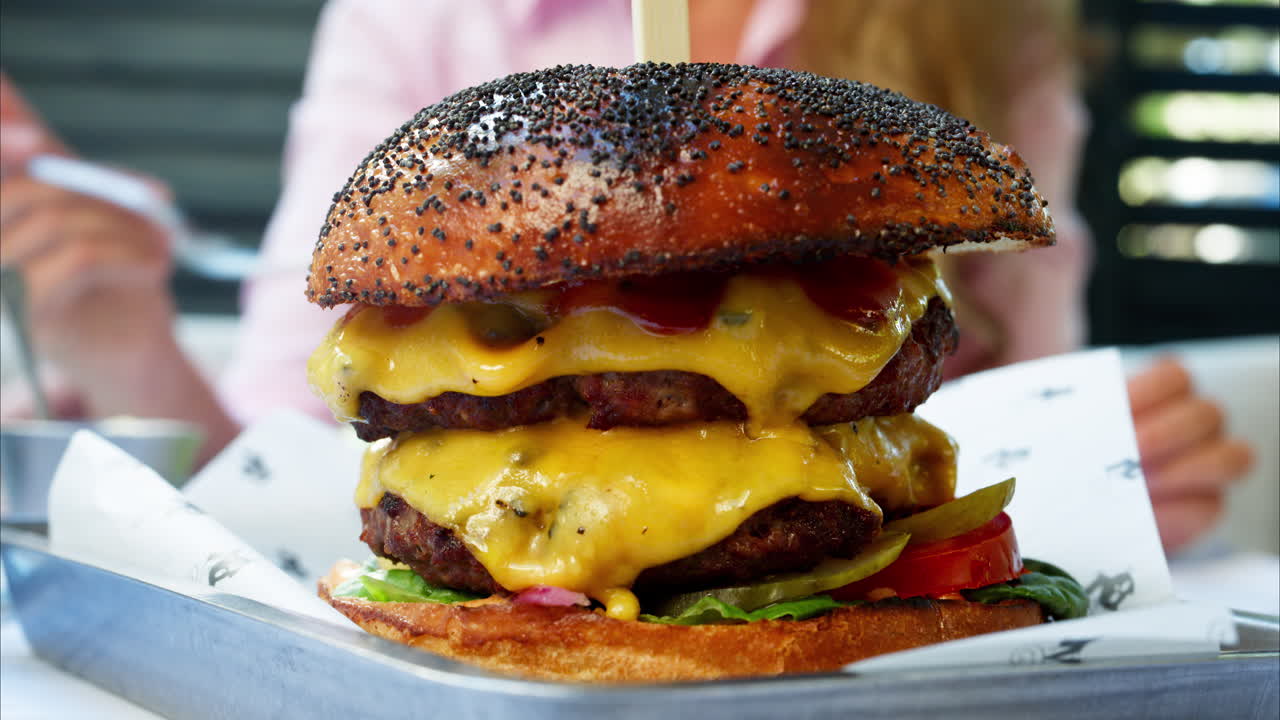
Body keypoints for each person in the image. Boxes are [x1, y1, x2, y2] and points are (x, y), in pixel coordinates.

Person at [0, 0, 1252, 551]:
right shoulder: (416, 14)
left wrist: (1104, 467)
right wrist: (118, 340)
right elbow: (281, 459)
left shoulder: (981, 23)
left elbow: (1017, 395)